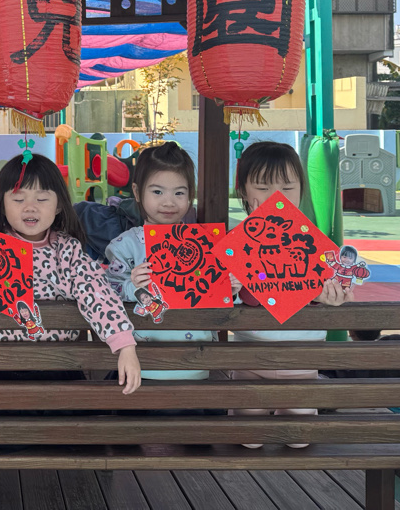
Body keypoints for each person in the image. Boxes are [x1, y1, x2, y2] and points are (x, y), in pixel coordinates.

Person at [0, 153, 142, 395]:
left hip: (57, 366)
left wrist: (125, 345)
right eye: (18, 199)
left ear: (58, 205)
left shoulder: (68, 250)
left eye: (41, 198)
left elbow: (97, 292)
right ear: (2, 204)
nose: (30, 207)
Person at [231, 141, 355, 449]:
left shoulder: (315, 244)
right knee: (249, 439)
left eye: (288, 188)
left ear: (302, 190)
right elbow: (230, 300)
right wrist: (230, 286)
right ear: (243, 190)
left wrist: (334, 297)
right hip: (250, 356)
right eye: (263, 187)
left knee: (299, 440)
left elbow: (341, 288)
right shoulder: (234, 245)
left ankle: (304, 409)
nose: (277, 197)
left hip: (303, 357)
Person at [104, 142, 219, 388]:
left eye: (179, 193)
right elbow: (107, 291)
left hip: (197, 364)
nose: (169, 202)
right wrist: (132, 286)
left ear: (190, 195)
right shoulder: (125, 246)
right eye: (157, 192)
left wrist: (229, 288)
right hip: (143, 367)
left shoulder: (205, 243)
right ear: (137, 192)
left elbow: (221, 296)